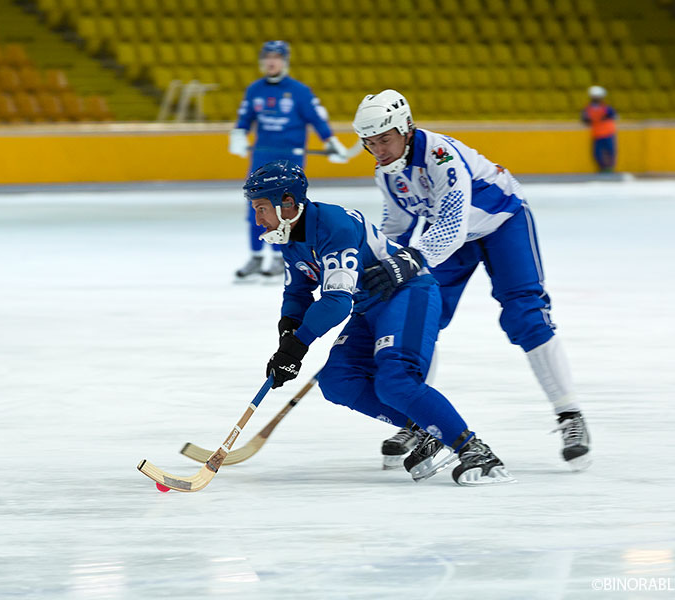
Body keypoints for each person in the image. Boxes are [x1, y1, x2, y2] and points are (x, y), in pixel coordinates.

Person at [352, 90, 591, 471]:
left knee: (525, 315)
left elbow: (451, 222)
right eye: (370, 143)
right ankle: (418, 419)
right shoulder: (387, 172)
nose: (379, 150)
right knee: (416, 317)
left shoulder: (440, 155)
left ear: (406, 129)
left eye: (385, 139)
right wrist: (378, 265)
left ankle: (570, 415)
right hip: (453, 240)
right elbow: (397, 226)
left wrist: (409, 262)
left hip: (502, 221)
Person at [245, 159, 514, 486]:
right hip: (370, 304)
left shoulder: (334, 225)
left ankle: (474, 450)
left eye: (261, 208)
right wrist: (287, 337)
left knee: (395, 378)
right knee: (337, 380)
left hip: (408, 293)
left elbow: (335, 302)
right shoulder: (290, 239)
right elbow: (298, 292)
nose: (257, 219)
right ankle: (426, 428)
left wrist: (298, 346)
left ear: (287, 203)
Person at [229, 40, 348, 281]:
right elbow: (245, 118)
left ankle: (278, 256)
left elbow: (316, 119)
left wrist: (330, 141)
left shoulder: (299, 91)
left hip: (289, 161)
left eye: (277, 57)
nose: (271, 61)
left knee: (284, 209)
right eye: (267, 57)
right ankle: (256, 255)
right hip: (262, 157)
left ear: (285, 61)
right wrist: (239, 134)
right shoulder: (254, 90)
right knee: (255, 205)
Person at [581, 85, 617, 173]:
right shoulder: (588, 109)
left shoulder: (606, 108)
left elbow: (614, 116)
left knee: (610, 151)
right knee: (597, 153)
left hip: (608, 133)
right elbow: (585, 120)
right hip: (597, 134)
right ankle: (602, 168)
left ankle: (609, 168)